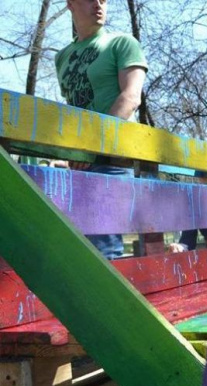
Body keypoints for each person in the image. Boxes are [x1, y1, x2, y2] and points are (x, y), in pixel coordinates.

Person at [52, 0, 148, 260]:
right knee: (77, 253)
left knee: (104, 253)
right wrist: (71, 150)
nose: (99, 4)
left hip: (111, 159)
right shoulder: (62, 57)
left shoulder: (121, 43)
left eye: (104, 0)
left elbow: (130, 98)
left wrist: (92, 148)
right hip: (79, 163)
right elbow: (73, 108)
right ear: (71, 4)